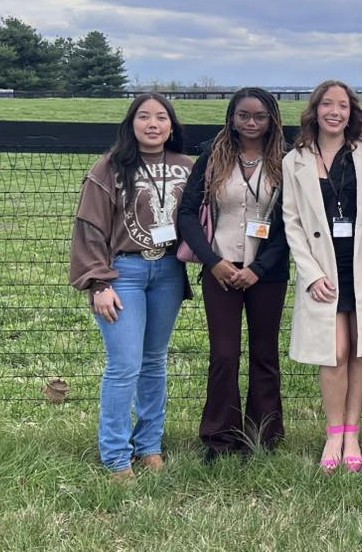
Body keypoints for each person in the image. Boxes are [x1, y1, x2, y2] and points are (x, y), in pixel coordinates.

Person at [69, 93, 194, 479]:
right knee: (124, 365)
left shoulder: (186, 167)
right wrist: (98, 283)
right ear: (131, 123)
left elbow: (202, 216)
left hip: (169, 272)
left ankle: (150, 446)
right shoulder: (110, 168)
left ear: (171, 126)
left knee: (154, 362)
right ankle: (116, 455)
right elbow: (89, 227)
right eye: (144, 116)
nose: (152, 124)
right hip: (124, 272)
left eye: (161, 117)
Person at [283, 80, 362, 473]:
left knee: (360, 347)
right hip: (325, 269)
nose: (335, 112)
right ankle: (333, 433)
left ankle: (353, 431)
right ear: (315, 109)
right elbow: (292, 222)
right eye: (328, 104)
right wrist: (311, 273)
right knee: (334, 352)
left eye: (343, 106)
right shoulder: (295, 160)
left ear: (352, 113)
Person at [178, 87, 290, 463]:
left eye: (260, 116)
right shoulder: (213, 157)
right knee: (224, 355)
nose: (252, 123)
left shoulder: (285, 163)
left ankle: (264, 436)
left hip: (267, 274)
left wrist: (258, 269)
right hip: (221, 270)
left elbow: (291, 225)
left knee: (265, 354)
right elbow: (188, 214)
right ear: (232, 117)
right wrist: (213, 262)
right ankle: (220, 438)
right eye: (244, 115)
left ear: (272, 119)